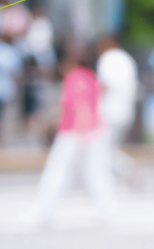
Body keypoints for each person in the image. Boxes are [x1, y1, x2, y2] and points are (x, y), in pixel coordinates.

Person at [32, 42, 113, 225]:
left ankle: (44, 209)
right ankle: (105, 207)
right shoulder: (90, 76)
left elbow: (81, 106)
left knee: (58, 170)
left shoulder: (75, 78)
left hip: (76, 132)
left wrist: (83, 130)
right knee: (96, 170)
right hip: (94, 130)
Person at [96, 36, 141, 186]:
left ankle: (128, 170)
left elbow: (105, 85)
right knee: (107, 149)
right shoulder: (127, 59)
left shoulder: (108, 58)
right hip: (126, 110)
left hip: (109, 111)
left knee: (102, 151)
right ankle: (127, 171)